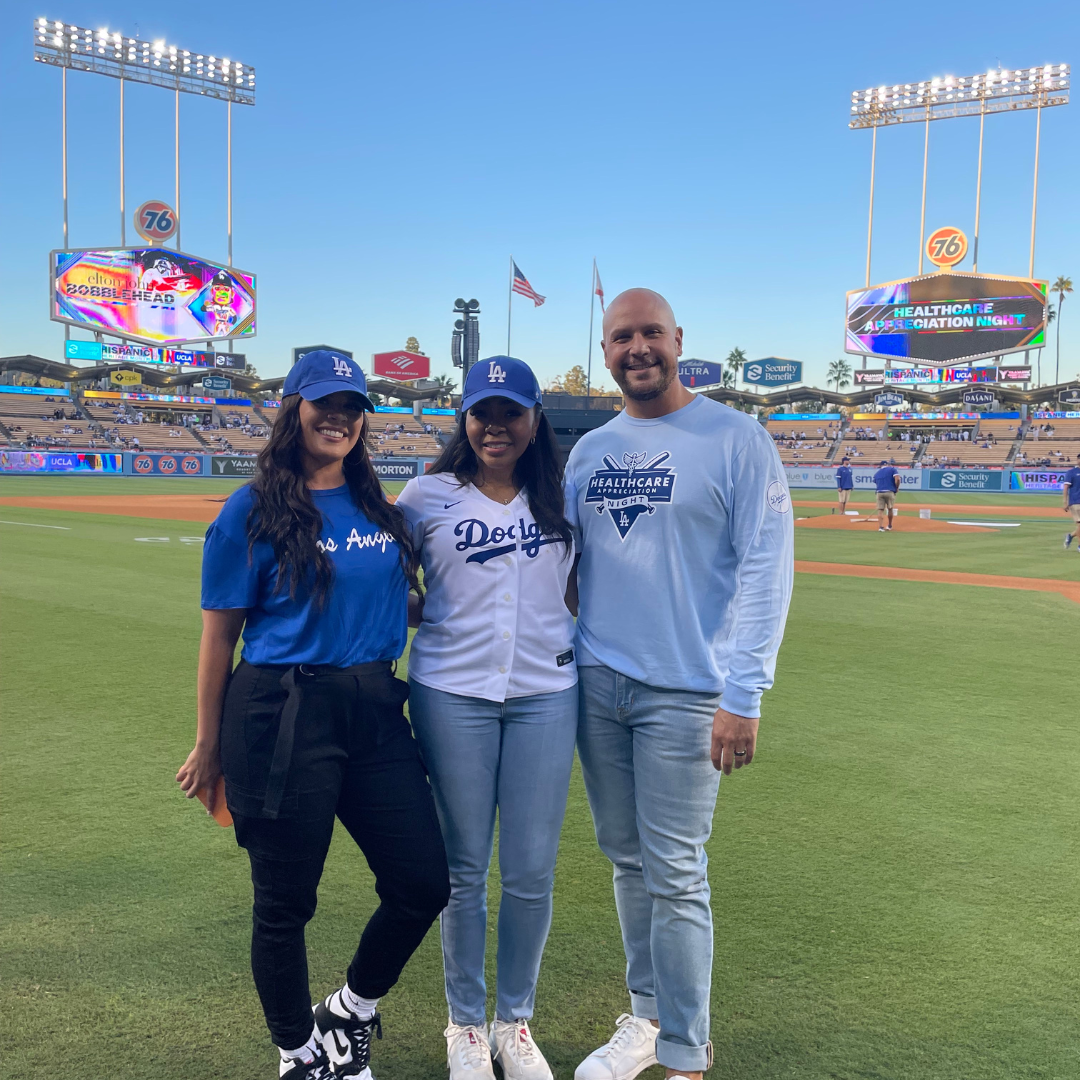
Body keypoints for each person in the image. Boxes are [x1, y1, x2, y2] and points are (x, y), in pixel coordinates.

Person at [175, 350, 450, 1080]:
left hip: (375, 709)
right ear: (292, 408)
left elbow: (397, 604)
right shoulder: (251, 511)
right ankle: (297, 1052)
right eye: (324, 402)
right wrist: (209, 747)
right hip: (282, 711)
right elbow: (219, 636)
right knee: (286, 902)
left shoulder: (377, 507)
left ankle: (349, 1012)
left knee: (424, 882)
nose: (339, 416)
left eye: (352, 405)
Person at [564, 289, 793, 1080]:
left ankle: (686, 1054)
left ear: (677, 340)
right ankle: (648, 1017)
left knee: (676, 871)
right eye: (622, 336)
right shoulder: (590, 451)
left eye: (650, 333)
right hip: (600, 682)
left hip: (691, 692)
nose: (638, 348)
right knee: (627, 862)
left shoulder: (735, 438)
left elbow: (767, 568)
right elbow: (569, 568)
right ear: (607, 349)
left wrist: (744, 695)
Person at [395, 357, 578, 1080]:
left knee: (531, 871)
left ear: (535, 420)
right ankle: (466, 1026)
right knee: (465, 870)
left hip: (545, 694)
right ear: (464, 420)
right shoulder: (424, 496)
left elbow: (583, 591)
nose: (495, 426)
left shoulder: (564, 496)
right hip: (451, 693)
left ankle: (515, 1022)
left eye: (510, 412)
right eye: (482, 412)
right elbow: (391, 590)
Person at [873, 459, 900, 532]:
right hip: (889, 491)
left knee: (880, 510)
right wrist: (896, 488)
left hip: (879, 491)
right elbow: (897, 479)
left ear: (880, 466)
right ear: (887, 464)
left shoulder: (877, 473)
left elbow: (876, 482)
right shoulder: (892, 469)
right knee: (890, 508)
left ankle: (880, 527)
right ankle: (889, 525)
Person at [1063, 462, 1080, 550]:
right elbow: (1066, 487)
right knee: (1079, 524)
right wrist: (1065, 502)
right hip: (1076, 501)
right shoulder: (1072, 472)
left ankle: (1070, 536)